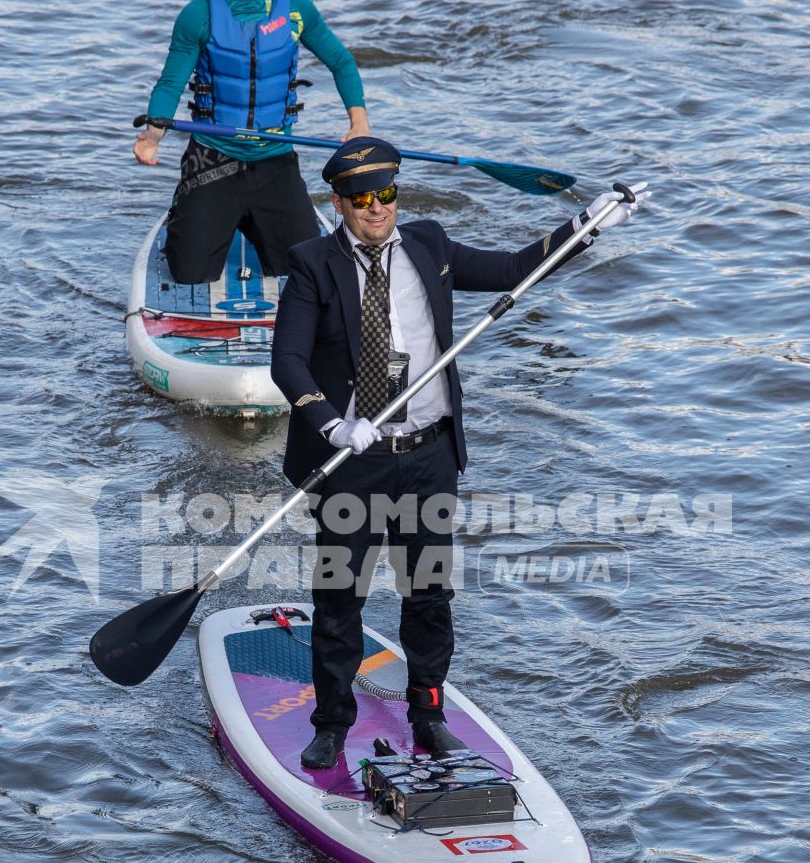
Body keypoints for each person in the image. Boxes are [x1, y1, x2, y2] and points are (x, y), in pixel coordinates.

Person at [269, 140, 648, 770]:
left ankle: (428, 714)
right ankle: (333, 721)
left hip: (429, 455)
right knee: (341, 598)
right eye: (361, 199)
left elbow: (513, 271)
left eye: (386, 195)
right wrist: (332, 424)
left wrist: (586, 227)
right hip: (355, 460)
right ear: (337, 202)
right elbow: (288, 361)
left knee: (428, 595)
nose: (376, 209)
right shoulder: (311, 263)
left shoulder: (431, 247)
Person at [135, 0, 371, 284]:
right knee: (187, 273)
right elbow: (170, 83)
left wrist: (358, 123)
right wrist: (152, 138)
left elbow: (341, 62)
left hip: (275, 161)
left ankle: (253, 222)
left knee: (306, 273)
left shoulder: (295, 8)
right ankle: (199, 219)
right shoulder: (199, 14)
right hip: (213, 160)